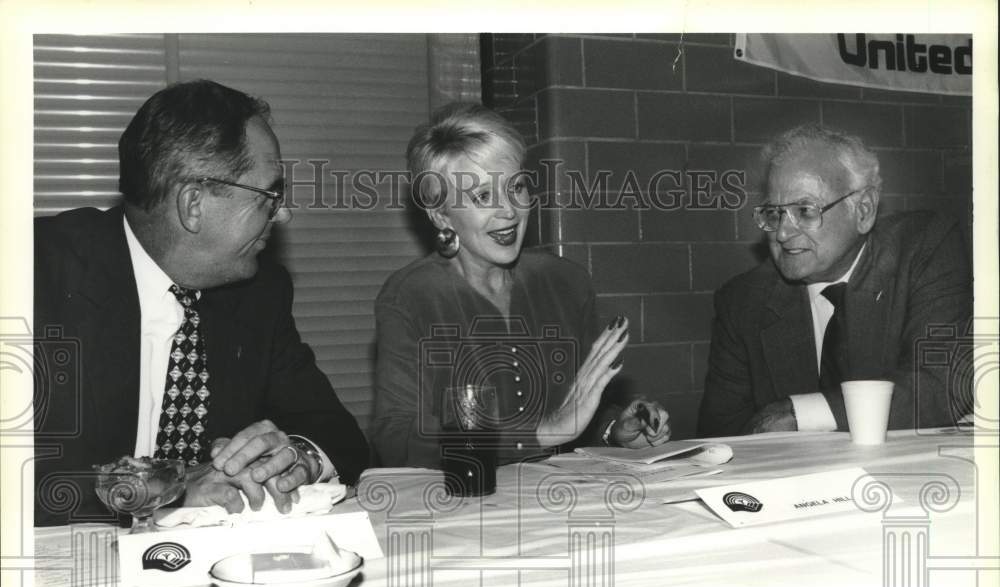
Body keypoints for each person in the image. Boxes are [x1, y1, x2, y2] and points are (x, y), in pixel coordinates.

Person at [34, 79, 370, 526]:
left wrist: (298, 458)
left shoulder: (259, 292)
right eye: (269, 195)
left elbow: (340, 435)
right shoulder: (36, 274)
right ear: (193, 204)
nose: (283, 213)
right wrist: (163, 490)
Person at [372, 102, 671, 469]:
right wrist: (541, 432)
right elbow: (396, 438)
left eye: (517, 187)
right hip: (466, 506)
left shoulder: (565, 282)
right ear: (440, 214)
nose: (510, 211)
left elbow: (576, 418)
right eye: (483, 196)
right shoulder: (411, 296)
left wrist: (615, 429)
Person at [698, 123, 972, 438]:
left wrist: (802, 413)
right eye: (774, 213)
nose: (783, 233)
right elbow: (719, 438)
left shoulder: (924, 249)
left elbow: (943, 385)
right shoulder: (743, 301)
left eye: (805, 210)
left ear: (864, 210)